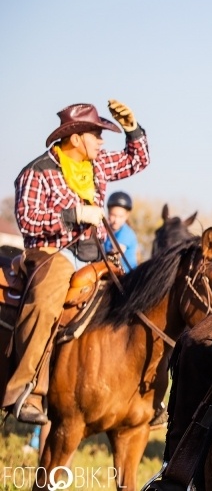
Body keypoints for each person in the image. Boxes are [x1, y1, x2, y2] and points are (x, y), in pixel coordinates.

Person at [4, 100, 150, 425]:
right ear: (75, 138)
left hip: (96, 256)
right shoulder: (36, 172)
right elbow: (28, 221)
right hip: (52, 253)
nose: (101, 142)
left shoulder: (97, 166)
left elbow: (138, 160)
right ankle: (24, 390)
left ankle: (144, 398)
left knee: (142, 300)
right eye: (97, 135)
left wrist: (132, 128)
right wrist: (72, 216)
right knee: (45, 303)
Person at [104, 190, 139, 272]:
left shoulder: (126, 233)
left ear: (127, 216)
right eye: (113, 215)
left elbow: (116, 253)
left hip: (127, 276)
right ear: (108, 213)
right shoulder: (104, 231)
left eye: (120, 216)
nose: (116, 220)